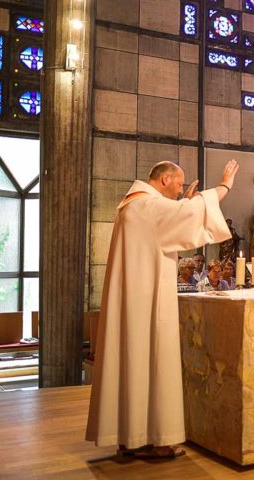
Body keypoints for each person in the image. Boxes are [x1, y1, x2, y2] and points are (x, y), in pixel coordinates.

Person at [86, 159, 239, 460]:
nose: (181, 189)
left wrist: (184, 204)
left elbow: (176, 218)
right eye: (179, 184)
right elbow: (190, 213)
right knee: (154, 359)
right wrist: (223, 186)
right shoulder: (148, 207)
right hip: (149, 301)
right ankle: (158, 440)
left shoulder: (131, 206)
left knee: (132, 363)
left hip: (133, 299)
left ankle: (129, 437)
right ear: (165, 179)